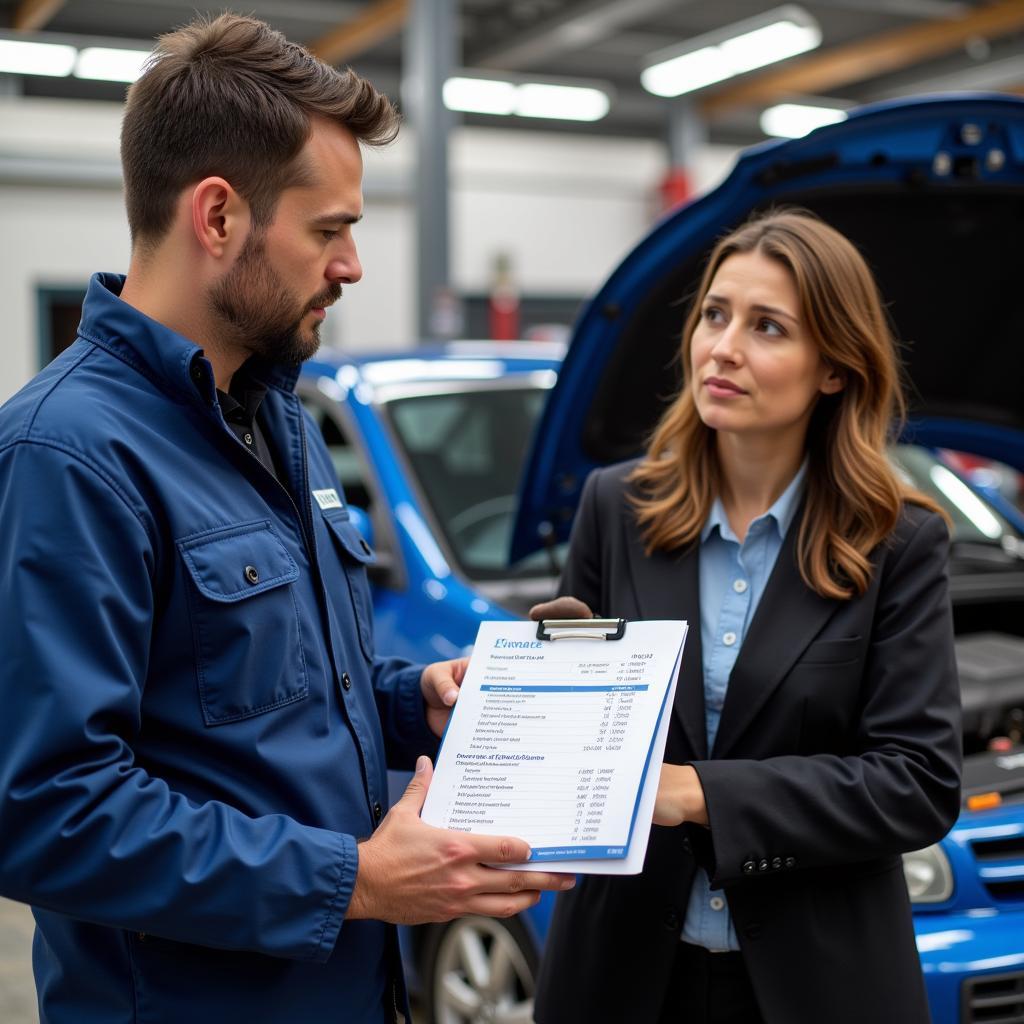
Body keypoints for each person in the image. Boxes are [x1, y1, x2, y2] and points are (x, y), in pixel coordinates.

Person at [0, 14, 572, 1024]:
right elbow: (45, 810)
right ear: (217, 217)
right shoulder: (66, 457)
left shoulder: (277, 422)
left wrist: (413, 699)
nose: (350, 265)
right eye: (329, 229)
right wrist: (350, 879)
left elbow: (244, 703)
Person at [530, 209, 962, 1024]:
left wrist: (697, 794)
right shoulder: (615, 508)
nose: (723, 347)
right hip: (625, 978)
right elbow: (577, 757)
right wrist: (548, 693)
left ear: (833, 368)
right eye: (715, 315)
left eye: (767, 327)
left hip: (818, 985)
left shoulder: (898, 543)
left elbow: (917, 783)